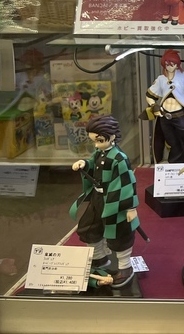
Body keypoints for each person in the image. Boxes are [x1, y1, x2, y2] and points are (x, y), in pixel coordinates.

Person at [70, 115, 139, 289]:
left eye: (99, 140)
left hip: (116, 201)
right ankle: (99, 258)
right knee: (88, 227)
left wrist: (131, 207)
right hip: (98, 198)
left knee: (119, 233)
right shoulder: (99, 153)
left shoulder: (119, 158)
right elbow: (93, 165)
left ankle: (125, 267)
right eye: (94, 141)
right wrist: (84, 164)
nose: (96, 145)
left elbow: (128, 182)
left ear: (112, 136)